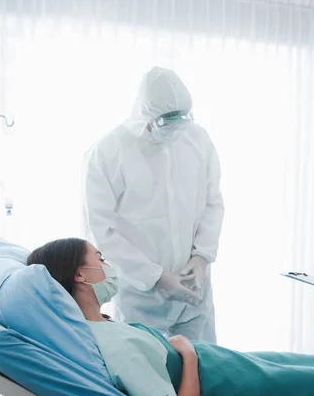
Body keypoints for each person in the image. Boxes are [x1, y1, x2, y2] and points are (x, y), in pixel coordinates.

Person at [27, 238, 314, 396]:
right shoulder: (113, 346)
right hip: (226, 378)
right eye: (100, 258)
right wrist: (189, 355)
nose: (107, 264)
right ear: (80, 276)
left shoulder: (99, 326)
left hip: (229, 365)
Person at [82, 67, 224, 343]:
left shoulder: (197, 139)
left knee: (204, 372)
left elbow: (213, 203)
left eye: (180, 120)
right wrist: (156, 277)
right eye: (164, 122)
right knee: (145, 375)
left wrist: (201, 257)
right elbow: (101, 230)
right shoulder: (108, 152)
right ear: (145, 115)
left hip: (193, 287)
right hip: (140, 294)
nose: (173, 130)